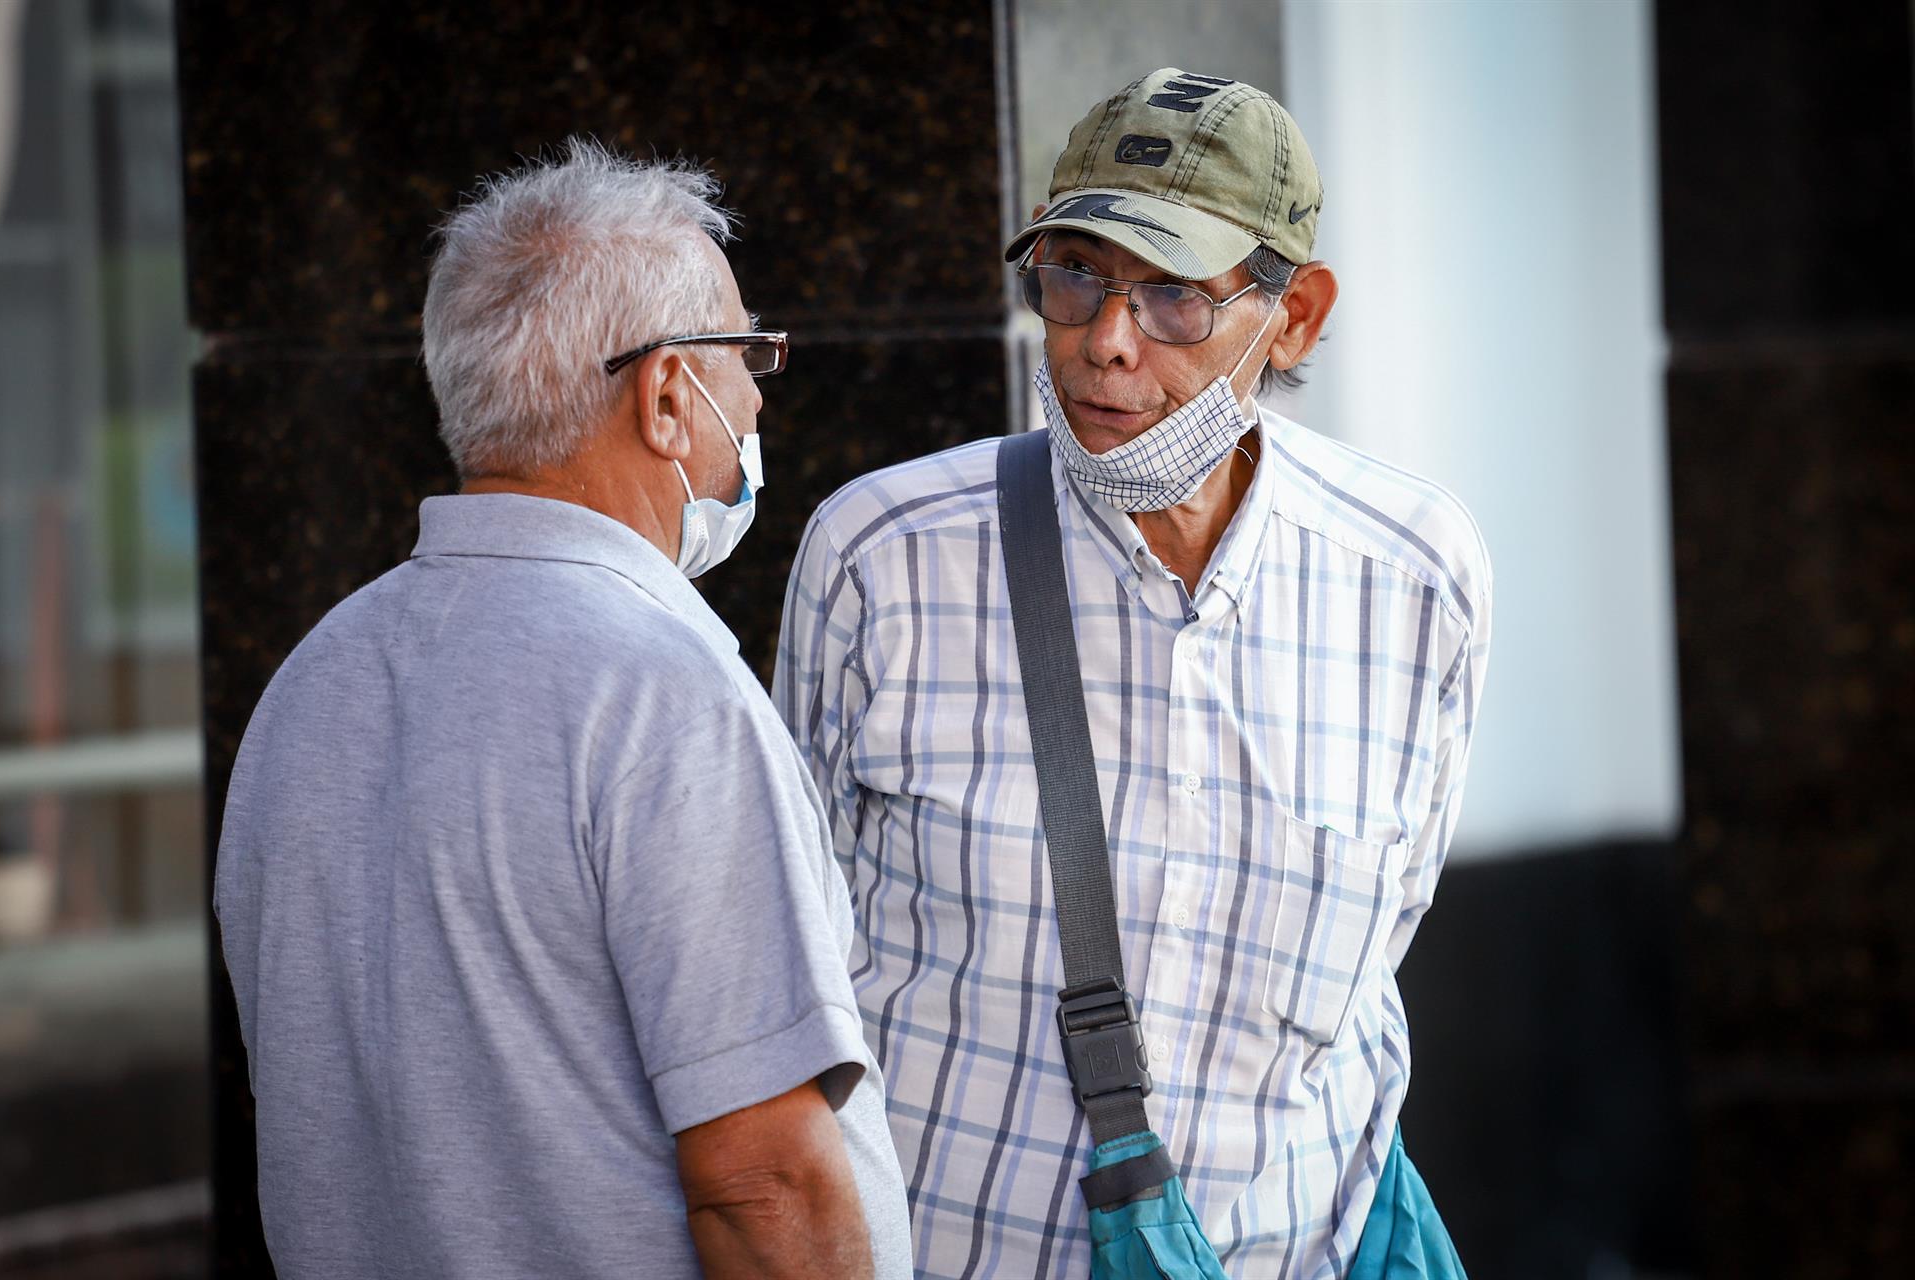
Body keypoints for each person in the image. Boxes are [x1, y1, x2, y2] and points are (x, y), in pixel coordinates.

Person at [775, 69, 1491, 1277]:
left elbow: (1380, 959)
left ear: (1296, 317)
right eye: (1075, 281)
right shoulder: (882, 556)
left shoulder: (1418, 576)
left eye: (1172, 298)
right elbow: (779, 988)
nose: (1106, 343)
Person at [214, 138, 912, 1280]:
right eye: (749, 358)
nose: (757, 395)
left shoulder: (309, 681)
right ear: (670, 394)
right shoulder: (664, 696)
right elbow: (764, 1181)